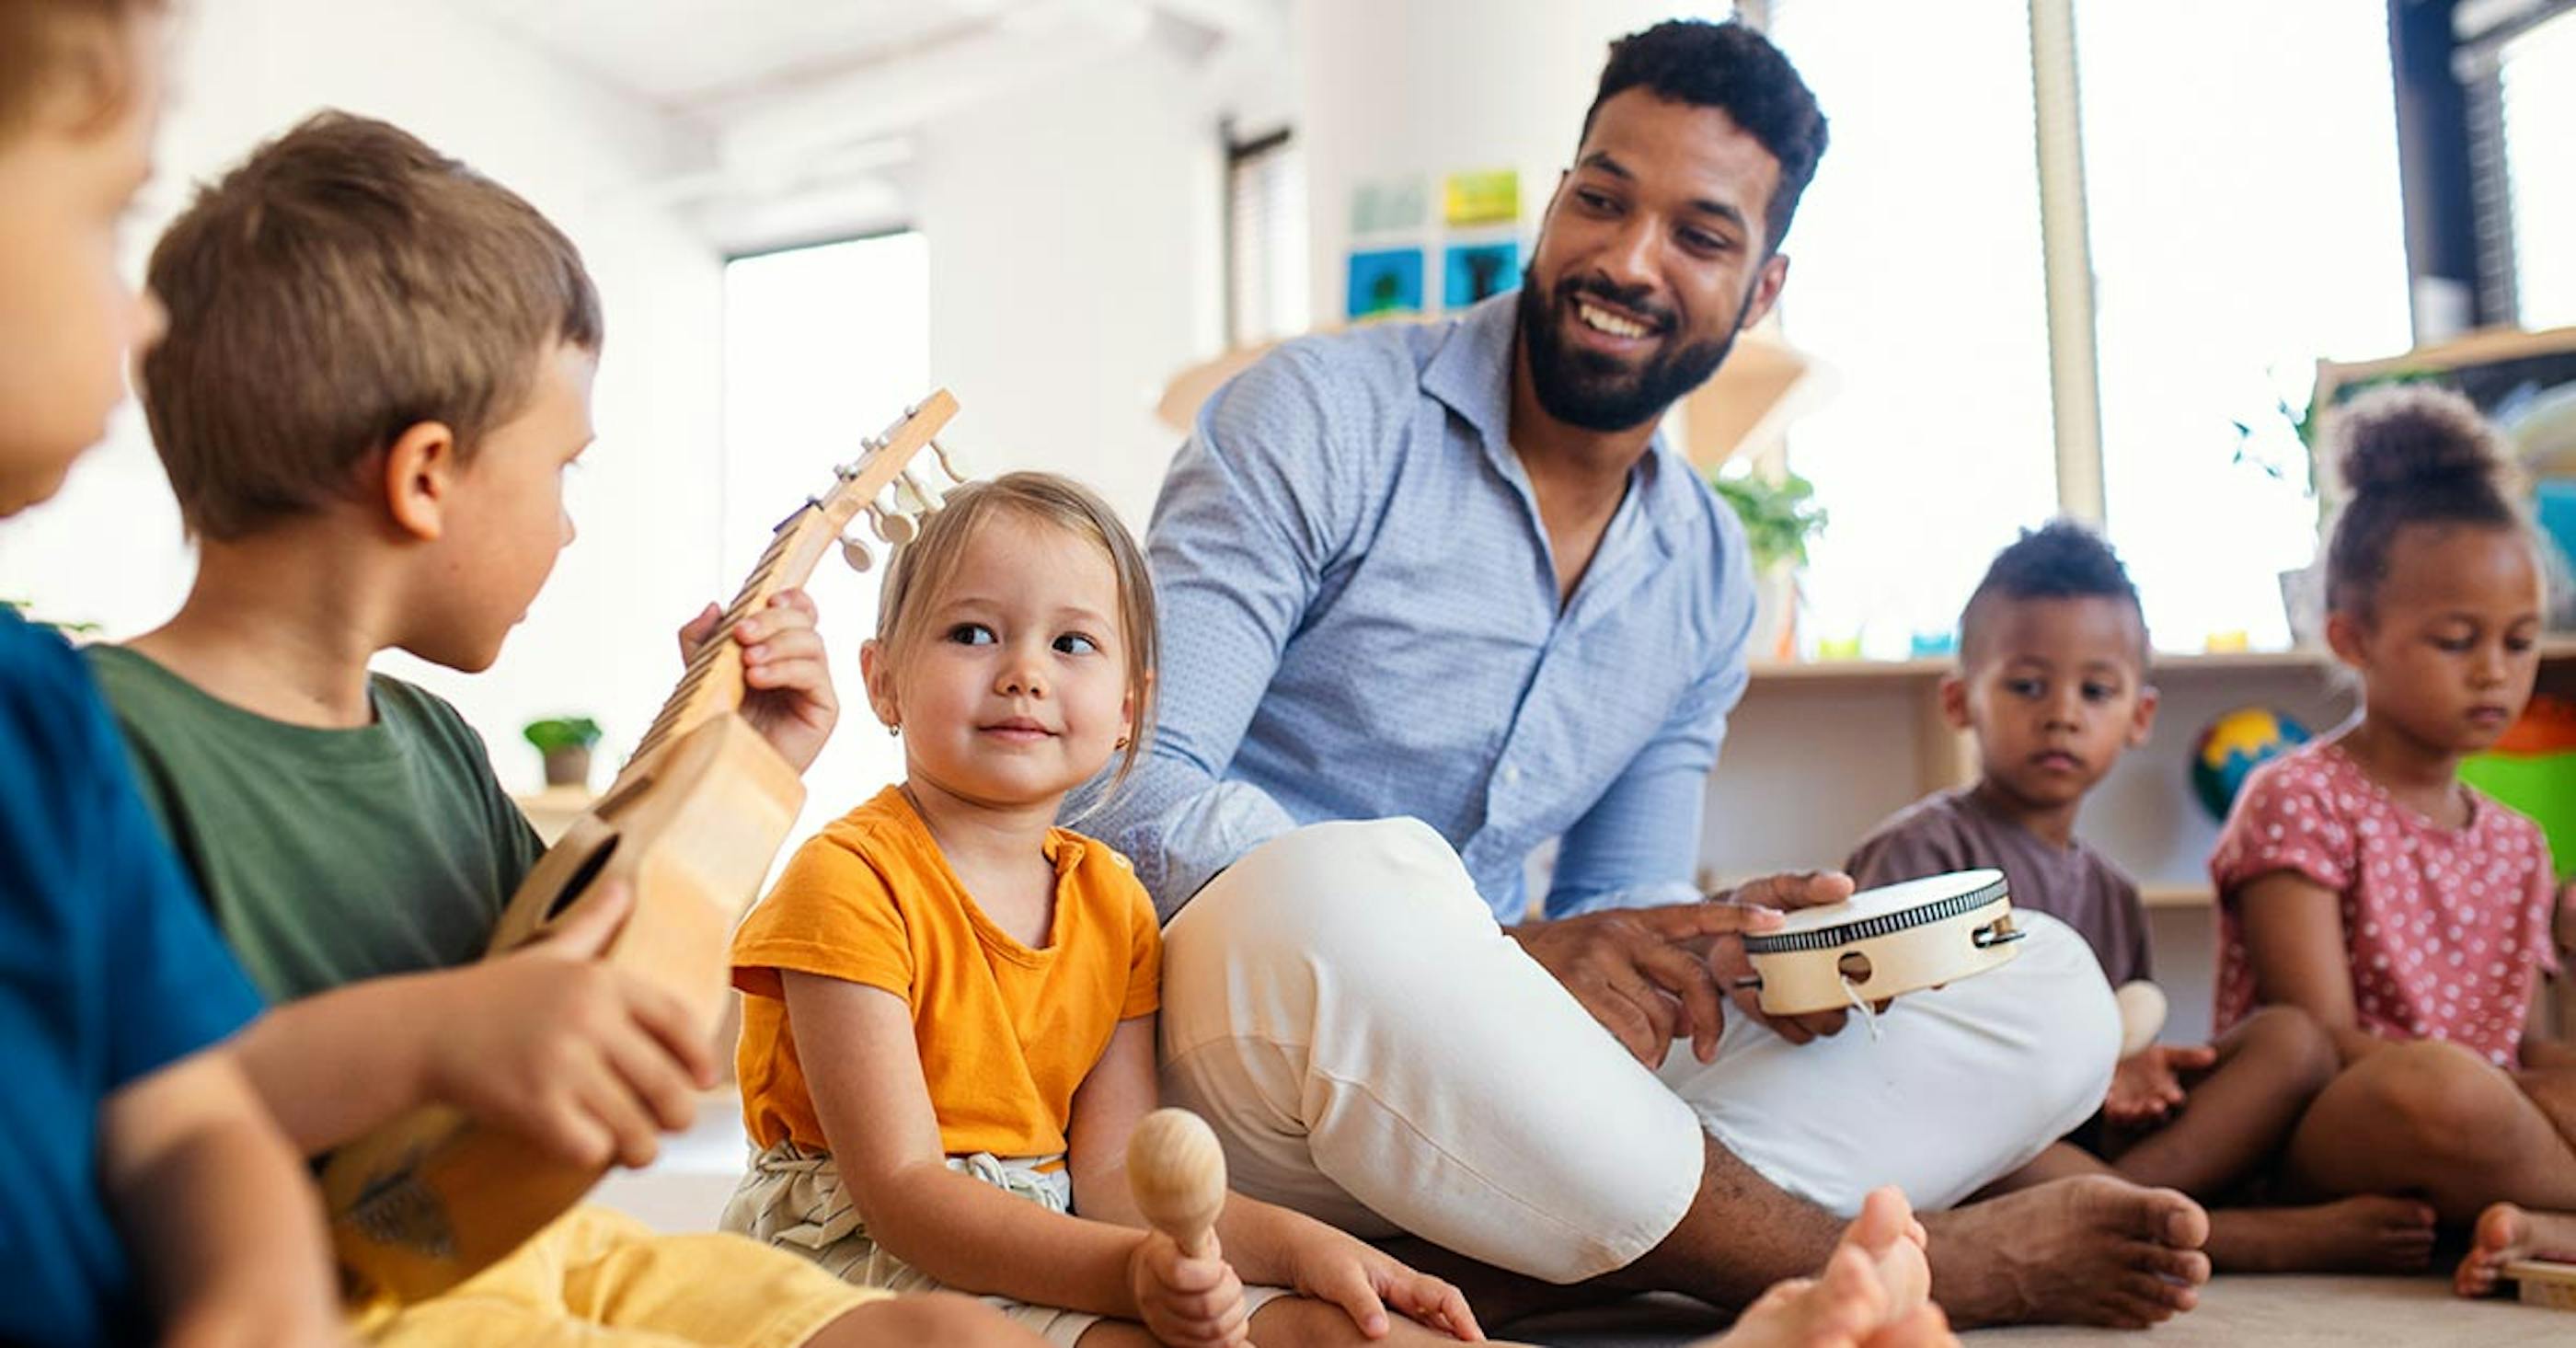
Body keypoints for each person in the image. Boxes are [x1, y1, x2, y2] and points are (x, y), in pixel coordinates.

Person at [1083, 16, 2208, 1331]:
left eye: (1699, 234)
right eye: (1603, 201)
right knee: (1347, 882)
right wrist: (1493, 955)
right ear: (1559, 197)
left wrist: (1727, 958)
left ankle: (1515, 1266)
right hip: (1239, 1051)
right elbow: (1130, 794)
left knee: (2052, 985)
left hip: (1488, 1104)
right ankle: (1890, 1264)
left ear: (1764, 286)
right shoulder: (1321, 417)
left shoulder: (1705, 571)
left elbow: (1624, 902)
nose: (1626, 260)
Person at [94, 109, 1035, 1346]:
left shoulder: (431, 746)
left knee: (952, 1336)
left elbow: (667, 1041)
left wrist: (741, 774)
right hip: (331, 1297)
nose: (570, 526)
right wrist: (441, 1038)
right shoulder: (102, 740)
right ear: (425, 475)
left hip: (530, 1252)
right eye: (562, 472)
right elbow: (115, 1107)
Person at [723, 472, 1486, 1347]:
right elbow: (903, 1193)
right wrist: (1127, 1277)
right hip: (853, 1267)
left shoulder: (1112, 901)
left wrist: (1310, 1248)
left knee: (1332, 1328)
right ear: (883, 679)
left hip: (1052, 1245)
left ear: (1129, 709)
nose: (1023, 674)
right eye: (973, 633)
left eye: (1072, 644)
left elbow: (1117, 1175)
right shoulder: (847, 880)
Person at [0, 3, 345, 1343]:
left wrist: (255, 1298)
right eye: (106, 216)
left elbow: (189, 1116)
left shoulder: (36, 713)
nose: (145, 320)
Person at [1847, 521, 2439, 1278]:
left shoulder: (2114, 893)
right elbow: (1886, 1057)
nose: (2063, 712)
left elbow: (2126, 1030)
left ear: (2139, 716)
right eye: (2027, 685)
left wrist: (2140, 1067)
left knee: (2292, 1043)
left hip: (2088, 1136)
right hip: (1978, 1137)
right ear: (1961, 700)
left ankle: (2129, 1211)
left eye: (2096, 690)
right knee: (1985, 1152)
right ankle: (2236, 1238)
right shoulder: (1923, 852)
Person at [2206, 386, 2576, 1296]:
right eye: (2457, 639)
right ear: (2351, 636)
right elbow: (2320, 1041)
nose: (2495, 669)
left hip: (2491, 1124)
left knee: (2488, 1088)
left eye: (2519, 640)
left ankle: (2545, 1223)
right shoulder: (2297, 798)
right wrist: (2520, 1092)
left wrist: (2544, 1081)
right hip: (2338, 1126)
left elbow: (2528, 1045)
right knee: (2439, 1090)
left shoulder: (2520, 843)